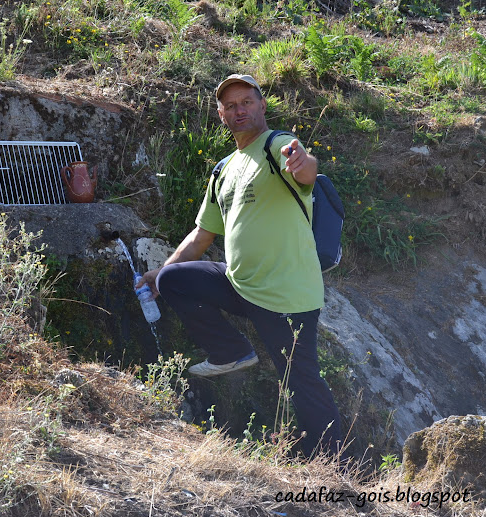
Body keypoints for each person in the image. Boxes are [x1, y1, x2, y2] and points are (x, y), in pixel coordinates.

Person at [137, 74, 342, 458]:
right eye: (230, 106)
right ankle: (231, 351)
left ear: (262, 106)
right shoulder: (223, 169)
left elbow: (306, 170)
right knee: (174, 279)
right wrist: (157, 273)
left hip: (286, 294)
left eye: (246, 101)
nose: (239, 110)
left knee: (301, 382)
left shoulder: (277, 145)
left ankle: (336, 466)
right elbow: (202, 236)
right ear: (221, 115)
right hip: (240, 285)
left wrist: (302, 161)